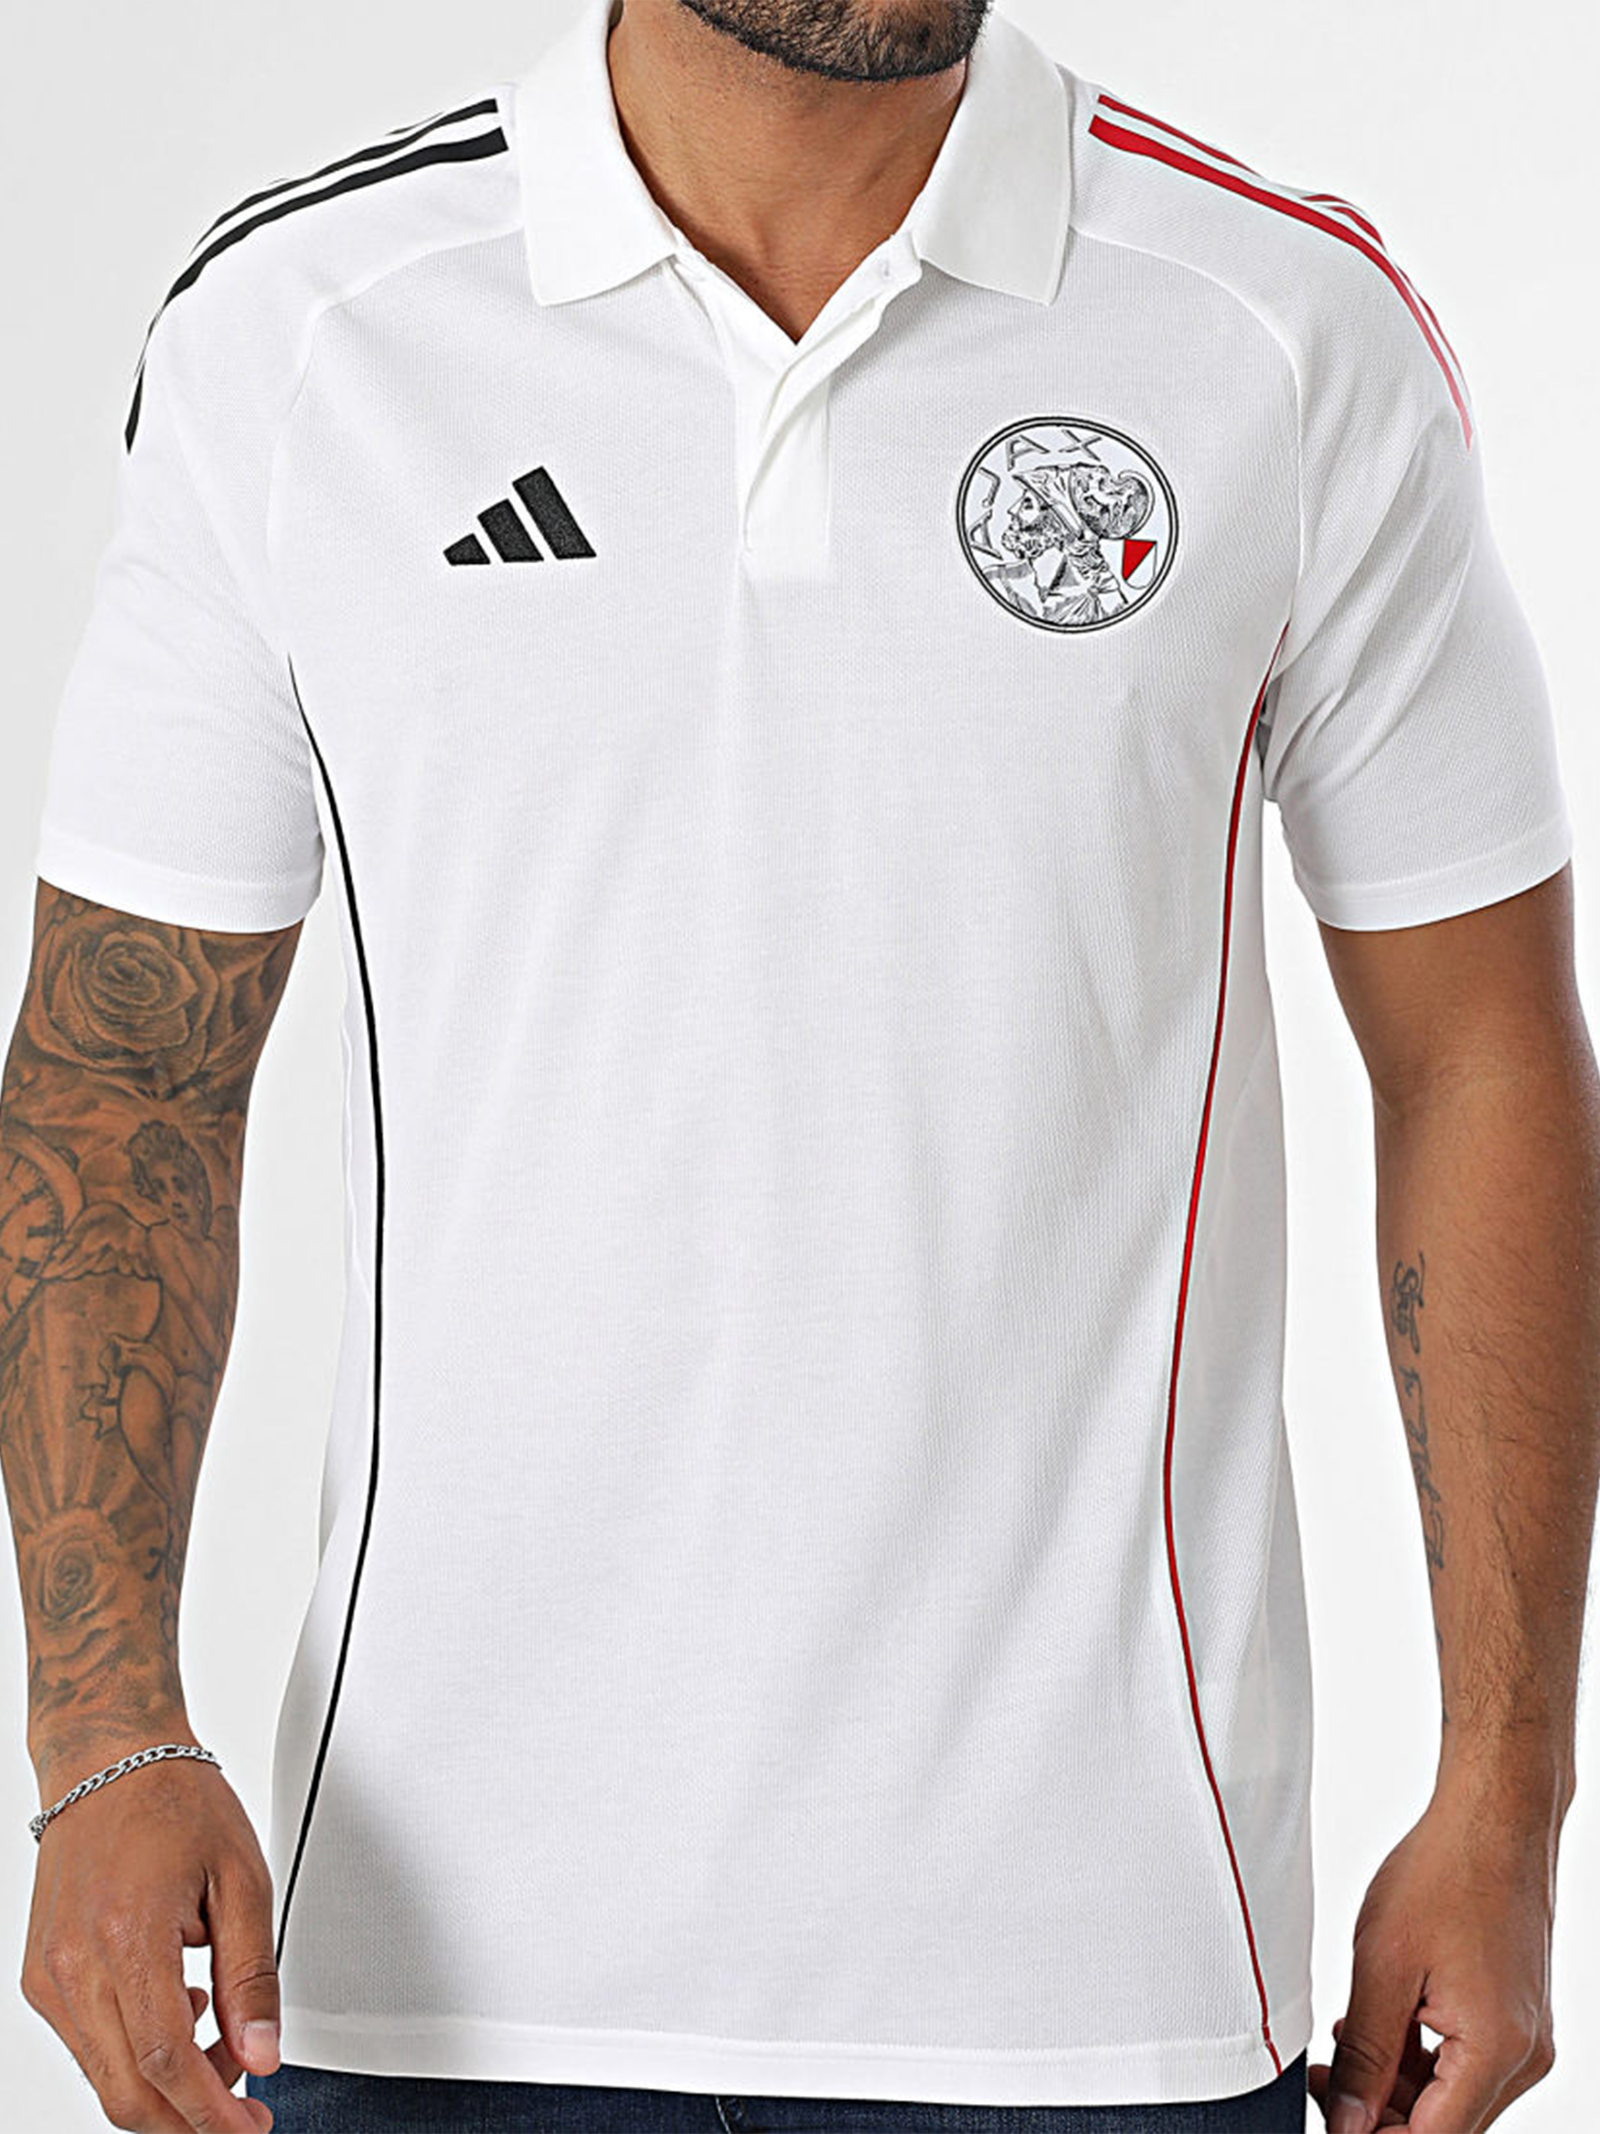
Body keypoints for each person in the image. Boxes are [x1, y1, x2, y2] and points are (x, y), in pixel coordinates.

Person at [3, 1, 1595, 2130]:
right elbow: (124, 1081)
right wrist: (100, 1733)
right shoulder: (302, 333)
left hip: (1097, 1984)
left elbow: (1480, 1052)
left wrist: (1504, 1796)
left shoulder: (1280, 329)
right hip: (425, 1986)